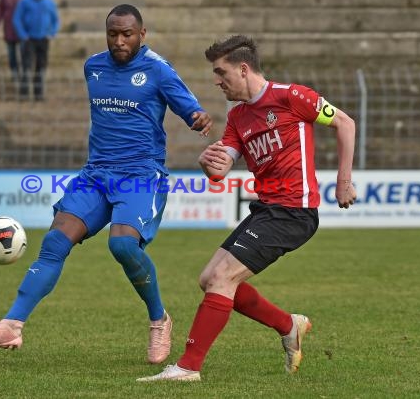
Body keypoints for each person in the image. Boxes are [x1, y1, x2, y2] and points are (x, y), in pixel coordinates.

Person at [0, 4, 213, 365]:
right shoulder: (93, 67)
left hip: (141, 176)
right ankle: (12, 324)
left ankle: (159, 320)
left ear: (141, 34)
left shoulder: (158, 70)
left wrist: (197, 117)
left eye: (127, 34)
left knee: (123, 247)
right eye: (112, 33)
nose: (119, 41)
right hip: (96, 175)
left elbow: (190, 109)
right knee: (55, 240)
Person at [137, 35, 357, 382]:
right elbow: (220, 169)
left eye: (221, 72)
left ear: (243, 69)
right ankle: (289, 325)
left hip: (294, 211)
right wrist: (206, 161)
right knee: (209, 279)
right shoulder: (238, 116)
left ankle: (188, 367)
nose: (216, 80)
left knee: (222, 278)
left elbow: (346, 123)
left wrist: (343, 181)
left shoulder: (291, 96)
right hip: (267, 210)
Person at [12, 0, 59, 100]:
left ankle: (39, 95)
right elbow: (17, 19)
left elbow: (55, 20)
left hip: (43, 39)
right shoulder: (24, 2)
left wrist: (52, 33)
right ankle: (24, 95)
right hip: (29, 40)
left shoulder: (49, 2)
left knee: (41, 67)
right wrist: (23, 35)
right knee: (27, 66)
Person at [0, 0, 27, 80]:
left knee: (24, 54)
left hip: (22, 31)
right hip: (9, 30)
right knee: (12, 56)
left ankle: (24, 74)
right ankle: (15, 74)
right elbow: (0, 9)